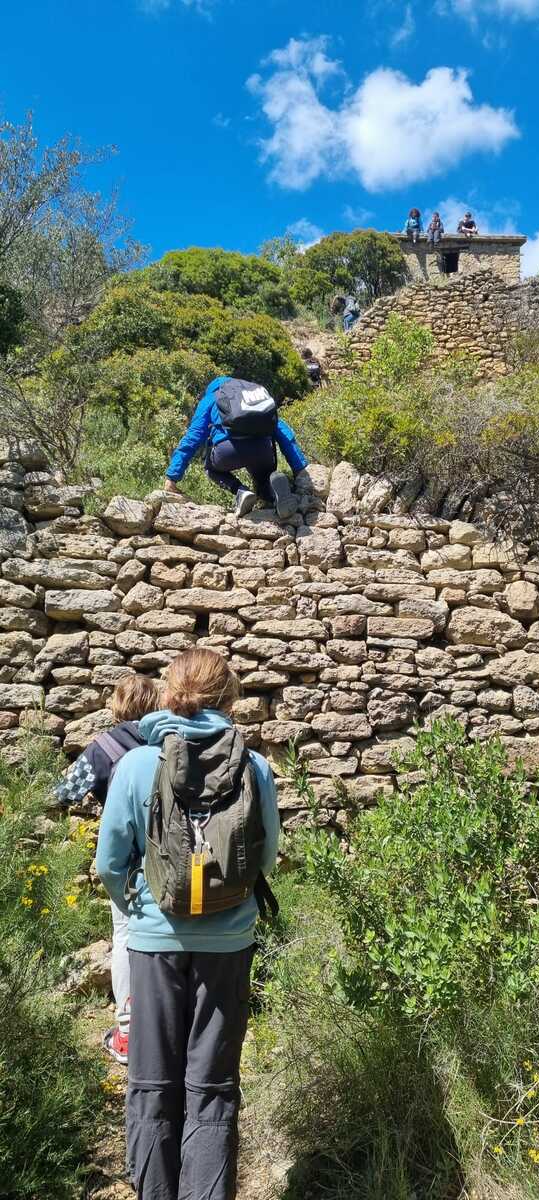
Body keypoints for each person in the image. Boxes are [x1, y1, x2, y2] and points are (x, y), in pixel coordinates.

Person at [96, 648, 280, 1200]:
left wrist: (135, 911)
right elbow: (265, 857)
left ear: (169, 693)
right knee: (213, 1084)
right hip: (229, 942)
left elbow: (109, 861)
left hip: (155, 944)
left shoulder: (134, 765)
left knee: (152, 1081)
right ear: (229, 698)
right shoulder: (254, 766)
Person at [52, 673, 159, 1066]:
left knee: (126, 935)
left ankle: (129, 1034)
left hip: (127, 864)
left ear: (117, 705)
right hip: (179, 862)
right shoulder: (169, 742)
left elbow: (63, 793)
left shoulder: (105, 746)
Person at [164, 375, 309, 520]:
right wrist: (299, 468)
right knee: (263, 480)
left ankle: (241, 491)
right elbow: (281, 430)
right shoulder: (252, 394)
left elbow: (192, 438)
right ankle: (272, 493)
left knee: (211, 469)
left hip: (227, 452)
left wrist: (172, 477)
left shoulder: (212, 398)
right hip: (263, 450)